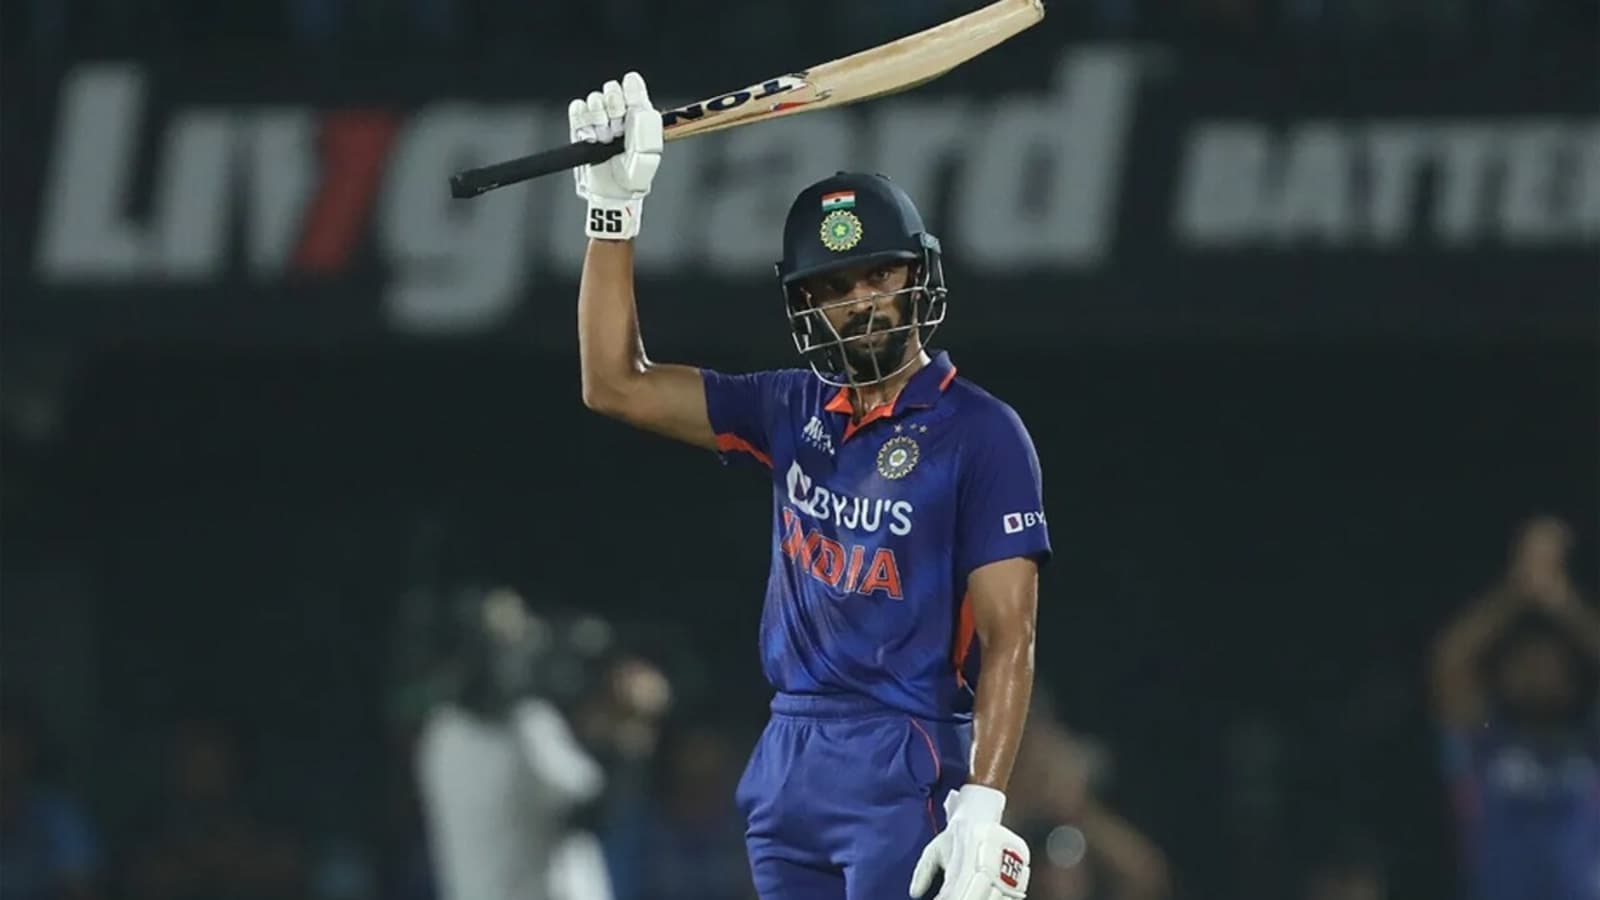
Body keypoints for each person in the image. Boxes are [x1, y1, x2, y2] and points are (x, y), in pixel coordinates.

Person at [570, 72, 1051, 900]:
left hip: (906, 756)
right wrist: (613, 214)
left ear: (918, 275)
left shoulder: (982, 432)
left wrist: (984, 799)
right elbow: (615, 383)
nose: (863, 302)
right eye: (835, 288)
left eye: (880, 275)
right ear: (805, 305)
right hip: (788, 756)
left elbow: (1013, 636)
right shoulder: (789, 407)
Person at [1429, 515, 1600, 900]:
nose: (1537, 672)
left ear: (1572, 679)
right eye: (1526, 663)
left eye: (1549, 663)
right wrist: (1516, 591)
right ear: (1503, 676)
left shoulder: (1590, 744)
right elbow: (1449, 662)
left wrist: (1562, 602)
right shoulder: (1482, 741)